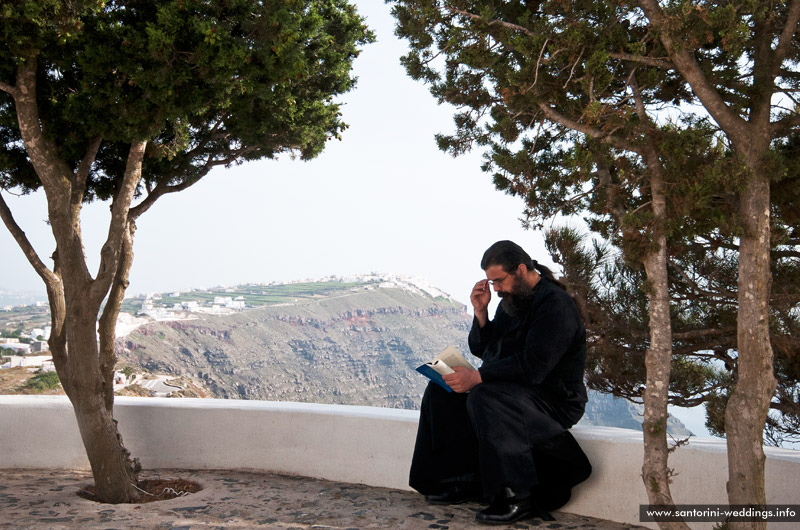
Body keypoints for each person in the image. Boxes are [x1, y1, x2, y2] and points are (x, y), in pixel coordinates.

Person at [409, 240, 592, 525]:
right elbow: (489, 350)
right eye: (491, 282)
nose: (495, 289)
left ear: (521, 269)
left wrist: (478, 378)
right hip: (513, 390)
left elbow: (534, 367)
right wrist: (480, 313)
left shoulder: (556, 305)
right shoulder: (511, 302)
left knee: (484, 396)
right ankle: (462, 480)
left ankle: (517, 496)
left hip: (554, 400)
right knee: (443, 388)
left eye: (498, 281)